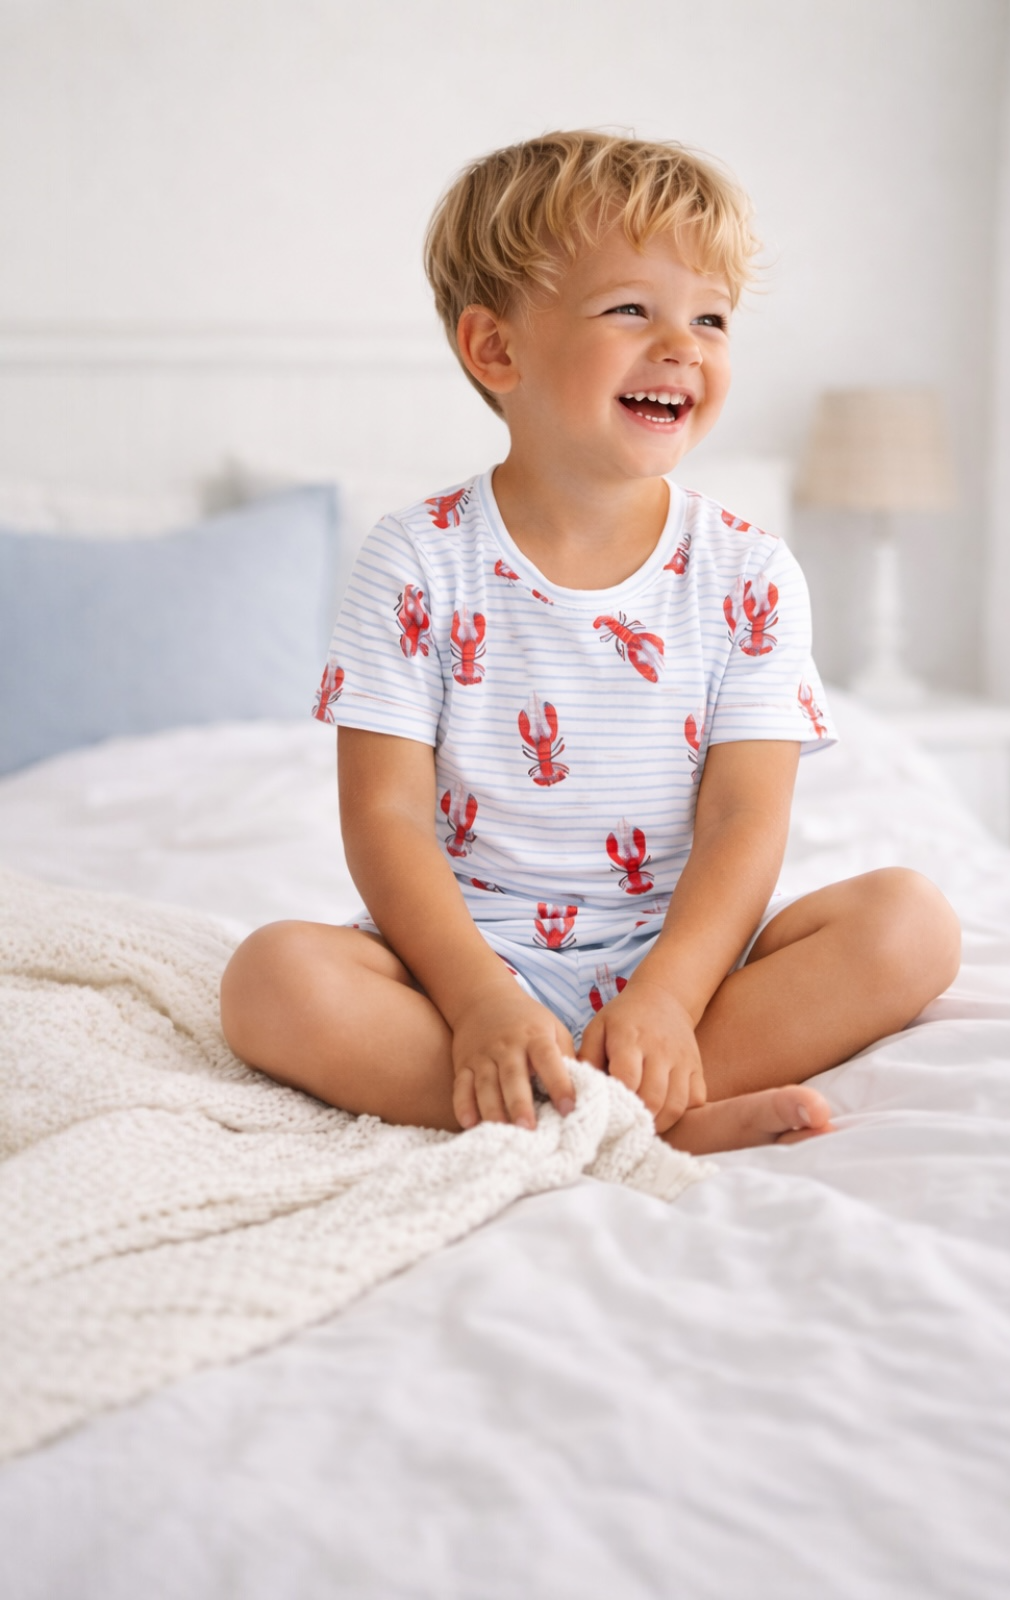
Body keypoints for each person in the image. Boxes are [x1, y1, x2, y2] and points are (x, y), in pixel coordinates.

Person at [220, 131, 961, 1156]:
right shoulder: (416, 560)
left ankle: (593, 1100)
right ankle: (635, 1118)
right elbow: (384, 816)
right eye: (631, 310)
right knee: (270, 981)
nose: (683, 346)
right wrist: (479, 999)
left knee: (911, 923)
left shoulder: (750, 573)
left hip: (687, 968)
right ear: (497, 349)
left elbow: (746, 817)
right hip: (461, 969)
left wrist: (667, 995)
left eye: (711, 317)